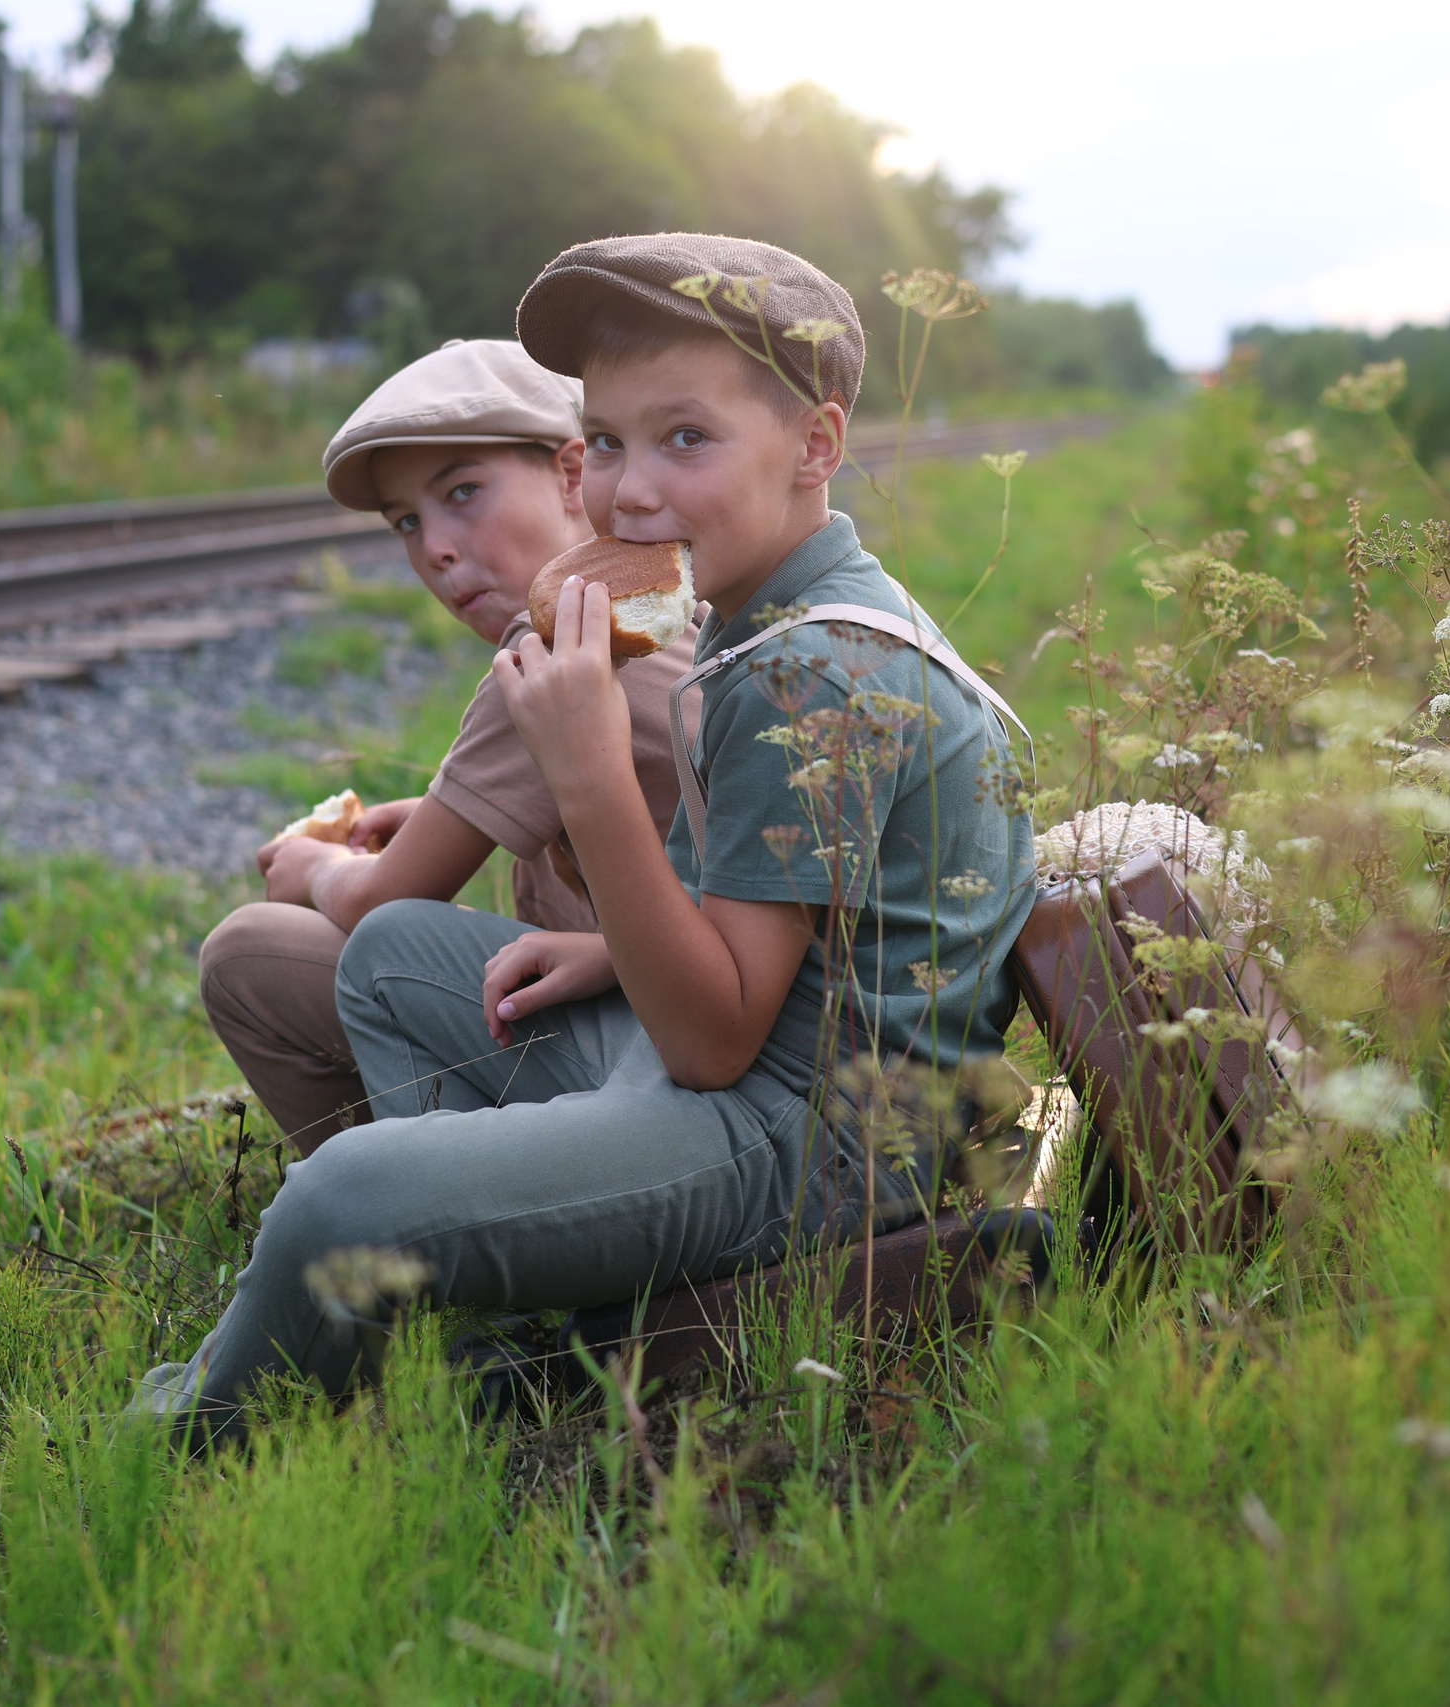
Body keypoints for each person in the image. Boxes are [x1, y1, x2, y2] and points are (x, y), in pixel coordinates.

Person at [138, 235, 1034, 1447]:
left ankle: (178, 1444)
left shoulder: (811, 669)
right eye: (607, 442)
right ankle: (516, 1305)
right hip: (788, 1067)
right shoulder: (770, 616)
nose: (630, 490)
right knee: (396, 948)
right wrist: (612, 946)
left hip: (815, 1145)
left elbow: (714, 1042)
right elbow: (800, 910)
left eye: (686, 438)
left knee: (338, 1199)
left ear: (815, 445)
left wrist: (591, 773)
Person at [199, 337, 698, 1152]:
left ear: (572, 473)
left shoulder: (552, 643)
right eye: (407, 521)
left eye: (462, 491)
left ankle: (390, 1214)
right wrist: (435, 809)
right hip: (699, 1021)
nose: (433, 546)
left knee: (247, 954)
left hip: (662, 1056)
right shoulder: (658, 601)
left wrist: (321, 868)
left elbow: (380, 897)